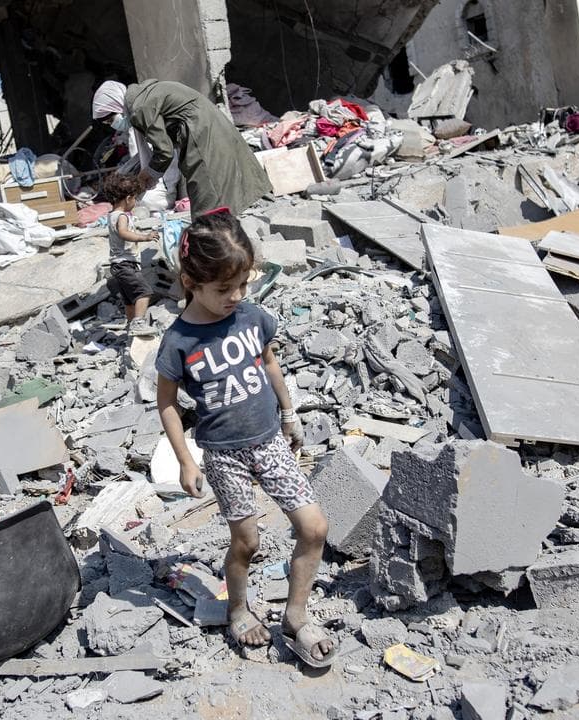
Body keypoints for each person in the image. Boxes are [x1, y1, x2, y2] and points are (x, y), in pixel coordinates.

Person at [154, 208, 336, 667]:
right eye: (224, 289)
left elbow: (270, 363)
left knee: (315, 528)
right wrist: (186, 461)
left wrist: (290, 413)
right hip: (225, 456)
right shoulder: (178, 341)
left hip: (271, 441)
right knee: (248, 543)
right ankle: (238, 608)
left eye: (243, 284)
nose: (236, 296)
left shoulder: (252, 317)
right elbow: (167, 404)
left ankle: (296, 616)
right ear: (192, 281)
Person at [91, 80, 273, 216]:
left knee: (206, 199)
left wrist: (150, 174)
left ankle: (216, 250)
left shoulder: (140, 108)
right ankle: (225, 242)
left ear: (117, 105)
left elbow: (164, 151)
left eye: (110, 120)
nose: (112, 125)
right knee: (214, 194)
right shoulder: (144, 96)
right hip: (206, 129)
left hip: (202, 134)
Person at [101, 172, 159, 336]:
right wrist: (144, 237)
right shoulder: (122, 217)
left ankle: (130, 324)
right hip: (126, 264)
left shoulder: (111, 215)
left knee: (129, 299)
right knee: (144, 292)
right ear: (128, 199)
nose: (135, 202)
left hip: (117, 265)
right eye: (134, 198)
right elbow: (124, 233)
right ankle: (138, 324)